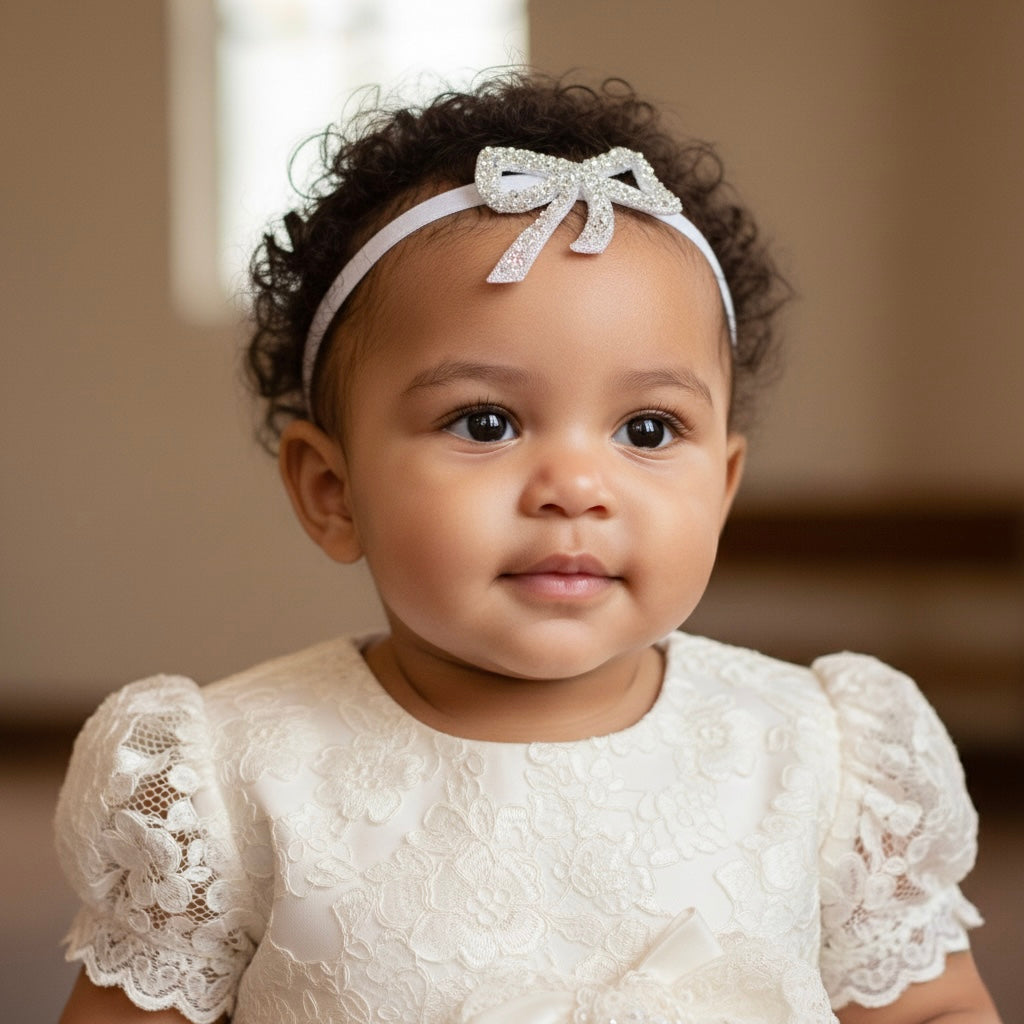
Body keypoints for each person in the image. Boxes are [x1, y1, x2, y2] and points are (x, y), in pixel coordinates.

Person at [55, 72, 1002, 1023]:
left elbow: (930, 1008)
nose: (575, 488)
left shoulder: (820, 756)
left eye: (646, 430)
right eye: (486, 420)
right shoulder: (227, 779)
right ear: (332, 491)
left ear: (722, 486)